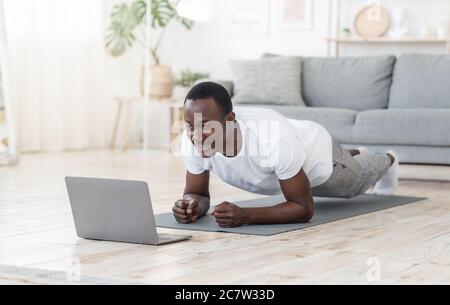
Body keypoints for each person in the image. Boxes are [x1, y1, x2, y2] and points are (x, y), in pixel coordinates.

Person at [173, 82, 398, 228]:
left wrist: (246, 216)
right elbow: (196, 193)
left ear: (230, 120)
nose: (196, 135)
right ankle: (353, 154)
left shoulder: (272, 138)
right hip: (290, 157)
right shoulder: (191, 138)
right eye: (190, 126)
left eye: (206, 126)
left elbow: (304, 208)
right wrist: (189, 205)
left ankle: (387, 159)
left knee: (353, 185)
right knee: (305, 163)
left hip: (318, 155)